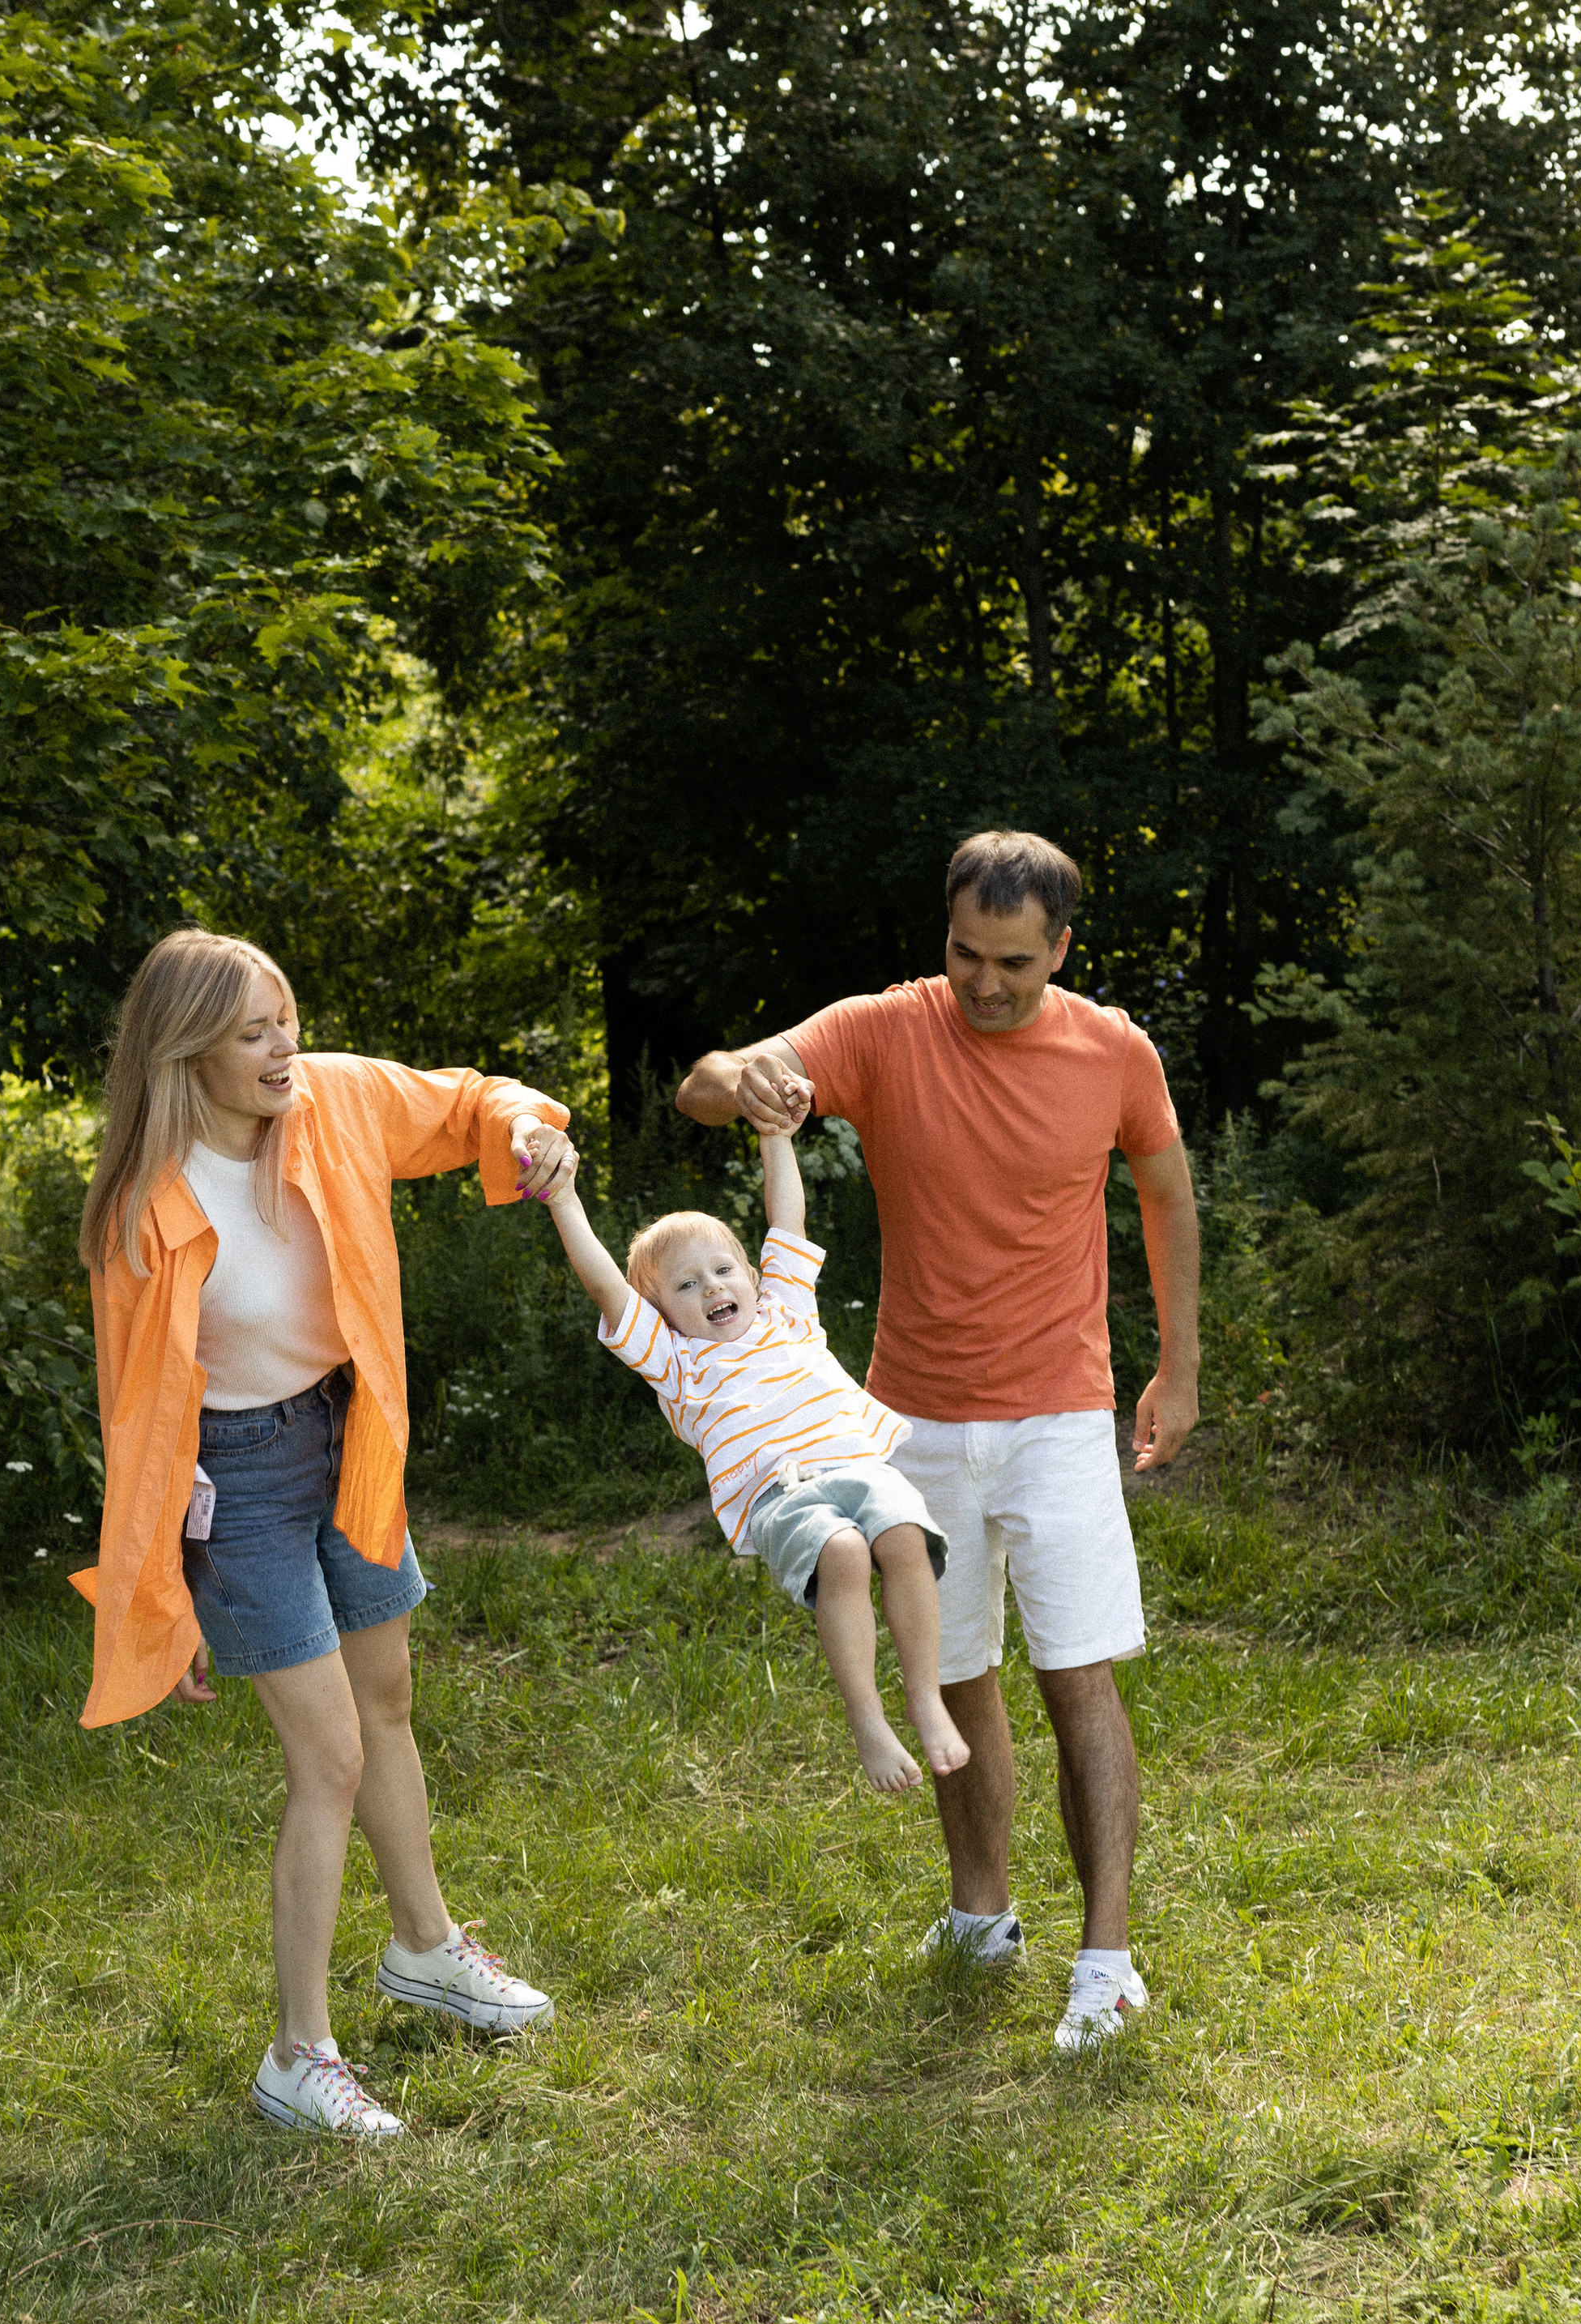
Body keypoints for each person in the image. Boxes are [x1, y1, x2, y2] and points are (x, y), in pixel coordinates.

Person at [676, 829, 1201, 2050]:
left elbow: (1166, 1192)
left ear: (1061, 948)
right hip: (904, 1420)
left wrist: (1178, 1367)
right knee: (955, 1674)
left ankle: (1108, 1958)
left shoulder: (1113, 1050)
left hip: (1062, 1413)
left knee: (1078, 1677)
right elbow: (712, 1079)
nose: (985, 984)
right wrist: (740, 1084)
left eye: (1014, 962)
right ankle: (982, 1913)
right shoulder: (886, 1027)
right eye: (966, 953)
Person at [72, 926, 569, 2139]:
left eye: (287, 1016)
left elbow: (464, 1104)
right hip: (233, 1484)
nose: (284, 1045)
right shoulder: (148, 1205)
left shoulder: (336, 1099)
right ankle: (299, 2053)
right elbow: (140, 1423)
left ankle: (426, 1948)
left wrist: (523, 1126)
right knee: (330, 1758)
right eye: (254, 1032)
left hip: (350, 1440)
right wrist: (163, 1596)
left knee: (388, 1701)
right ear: (186, 1051)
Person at [543, 1114, 968, 1793]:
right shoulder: (676, 1362)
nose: (712, 1288)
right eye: (686, 1285)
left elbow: (786, 1220)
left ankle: (924, 1697)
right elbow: (606, 1287)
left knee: (903, 1532)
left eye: (721, 1270)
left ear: (751, 1273)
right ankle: (868, 1720)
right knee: (845, 1554)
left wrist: (776, 1134)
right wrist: (564, 1199)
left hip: (858, 1464)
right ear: (661, 1314)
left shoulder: (787, 1313)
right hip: (783, 1493)